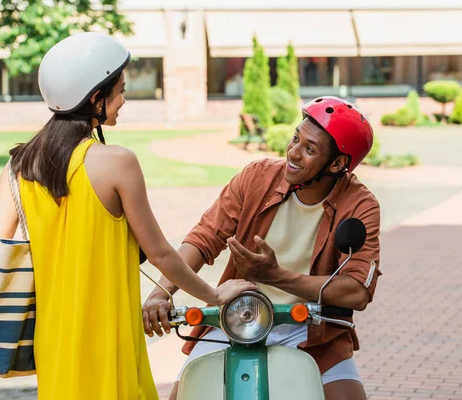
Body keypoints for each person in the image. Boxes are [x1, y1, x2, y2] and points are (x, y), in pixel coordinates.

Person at [0, 32, 256, 400]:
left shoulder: (19, 164)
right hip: (109, 339)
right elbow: (159, 252)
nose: (124, 100)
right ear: (96, 98)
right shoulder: (118, 162)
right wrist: (215, 295)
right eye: (120, 90)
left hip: (55, 339)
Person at [142, 96, 381, 400]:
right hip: (238, 320)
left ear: (337, 164)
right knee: (184, 395)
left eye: (310, 149)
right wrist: (159, 294)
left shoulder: (360, 205)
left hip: (312, 330)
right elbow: (204, 238)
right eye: (296, 138)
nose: (293, 152)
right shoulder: (257, 177)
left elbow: (357, 291)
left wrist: (275, 276)